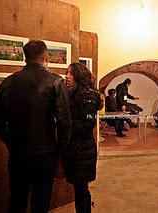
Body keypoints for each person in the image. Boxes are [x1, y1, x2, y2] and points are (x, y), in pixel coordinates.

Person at [0, 40, 71, 213]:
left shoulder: (7, 82)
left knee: (16, 200)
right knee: (41, 202)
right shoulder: (55, 82)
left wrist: (11, 141)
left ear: (25, 57)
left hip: (18, 153)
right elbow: (64, 122)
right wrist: (59, 150)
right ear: (45, 57)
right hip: (45, 154)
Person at [64, 63, 101, 213]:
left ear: (79, 76)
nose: (67, 76)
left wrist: (65, 124)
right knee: (79, 187)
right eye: (67, 73)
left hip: (82, 149)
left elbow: (88, 124)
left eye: (70, 73)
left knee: (81, 188)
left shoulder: (87, 95)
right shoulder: (73, 92)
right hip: (76, 148)